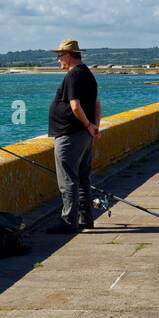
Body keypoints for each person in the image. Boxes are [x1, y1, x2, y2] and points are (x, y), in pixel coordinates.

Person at [47, 39, 101, 234]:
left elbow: (75, 106)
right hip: (84, 135)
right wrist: (94, 127)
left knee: (67, 179)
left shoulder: (73, 75)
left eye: (60, 56)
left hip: (70, 135)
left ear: (68, 56)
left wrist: (88, 125)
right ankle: (85, 219)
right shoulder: (88, 74)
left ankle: (69, 221)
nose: (58, 60)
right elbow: (96, 104)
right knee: (83, 177)